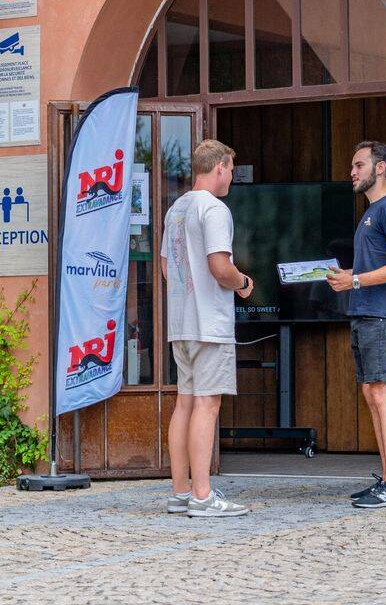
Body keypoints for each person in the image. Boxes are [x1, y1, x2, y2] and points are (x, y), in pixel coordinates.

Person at [161, 139, 254, 517]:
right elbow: (219, 266)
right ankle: (202, 496)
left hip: (180, 323)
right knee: (207, 404)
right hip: (209, 324)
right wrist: (243, 283)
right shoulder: (214, 209)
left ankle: (180, 491)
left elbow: (166, 266)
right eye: (230, 169)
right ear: (219, 167)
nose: (231, 176)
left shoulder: (176, 209)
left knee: (185, 402)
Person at [328, 141, 386, 508]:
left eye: (359, 164)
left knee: (381, 391)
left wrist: (356, 281)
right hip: (365, 312)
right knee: (371, 392)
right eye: (352, 166)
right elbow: (376, 266)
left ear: (380, 168)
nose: (352, 172)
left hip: (381, 314)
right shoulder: (373, 212)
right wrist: (348, 276)